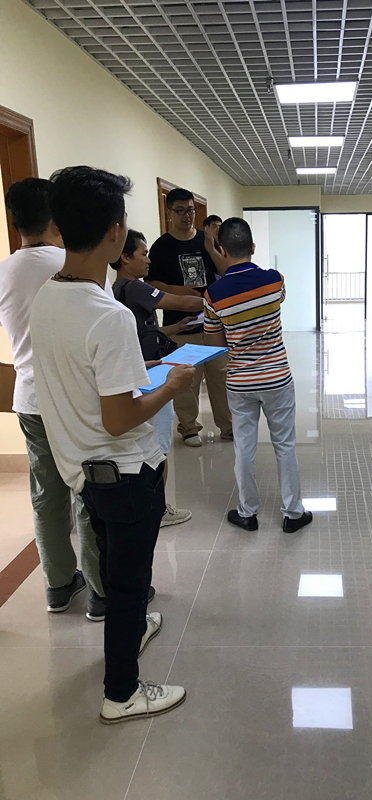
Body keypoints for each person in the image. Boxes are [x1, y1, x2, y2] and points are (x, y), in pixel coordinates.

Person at [30, 166, 194, 723]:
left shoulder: (46, 299)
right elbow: (120, 418)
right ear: (115, 233)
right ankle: (121, 693)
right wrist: (169, 386)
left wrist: (143, 372)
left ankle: (132, 629)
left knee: (114, 564)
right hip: (125, 475)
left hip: (82, 470)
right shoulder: (110, 315)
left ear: (59, 226)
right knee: (129, 584)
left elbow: (84, 380)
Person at [0, 178, 107, 620]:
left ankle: (58, 586)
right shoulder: (73, 264)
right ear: (56, 218)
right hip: (76, 399)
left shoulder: (5, 270)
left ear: (15, 221)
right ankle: (101, 591)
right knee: (89, 491)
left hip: (29, 399)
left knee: (46, 495)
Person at [203, 217, 312, 534]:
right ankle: (293, 513)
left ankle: (247, 513)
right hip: (277, 378)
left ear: (222, 250)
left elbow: (216, 346)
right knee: (285, 446)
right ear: (252, 247)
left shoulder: (213, 295)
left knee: (244, 448)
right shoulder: (274, 280)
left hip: (240, 383)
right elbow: (277, 304)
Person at [111, 228, 207, 526]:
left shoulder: (116, 289)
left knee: (146, 444)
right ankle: (159, 510)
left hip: (136, 372)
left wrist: (177, 328)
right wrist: (217, 300)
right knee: (158, 446)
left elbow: (143, 334)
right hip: (150, 378)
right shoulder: (134, 287)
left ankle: (147, 507)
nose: (149, 260)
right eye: (143, 254)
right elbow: (184, 303)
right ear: (125, 258)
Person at [147, 190, 232, 447]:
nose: (187, 216)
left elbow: (226, 272)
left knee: (221, 377)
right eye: (180, 211)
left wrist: (211, 249)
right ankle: (189, 427)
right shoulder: (161, 246)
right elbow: (151, 283)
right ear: (169, 213)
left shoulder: (207, 241)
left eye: (191, 210)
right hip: (182, 326)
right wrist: (180, 291)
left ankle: (228, 426)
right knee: (187, 381)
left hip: (213, 325)